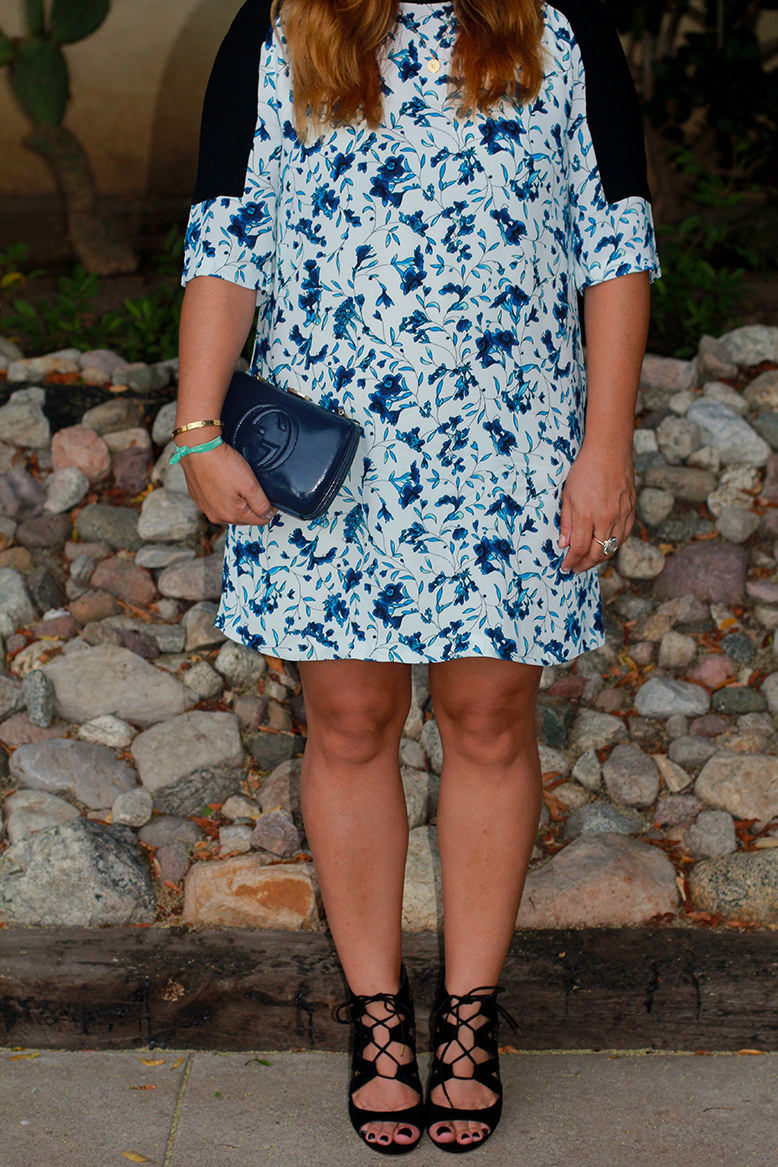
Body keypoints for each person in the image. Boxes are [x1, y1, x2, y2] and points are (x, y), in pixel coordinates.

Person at [176, 0, 659, 1153]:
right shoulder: (277, 27)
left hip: (510, 444)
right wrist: (198, 428)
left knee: (488, 714)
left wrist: (604, 447)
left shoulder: (564, 26)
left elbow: (615, 245)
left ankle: (474, 1018)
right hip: (327, 454)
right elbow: (226, 239)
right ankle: (381, 1019)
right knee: (345, 717)